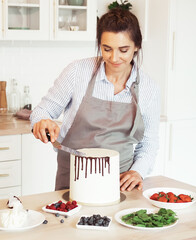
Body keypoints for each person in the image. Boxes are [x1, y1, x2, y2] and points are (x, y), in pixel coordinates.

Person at [30, 8, 160, 192]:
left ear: (137, 46)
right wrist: (41, 122)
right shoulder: (77, 72)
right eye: (107, 49)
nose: (114, 58)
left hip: (120, 182)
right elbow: (42, 111)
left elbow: (149, 142)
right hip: (73, 176)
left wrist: (137, 172)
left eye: (123, 50)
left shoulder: (149, 88)